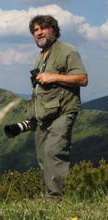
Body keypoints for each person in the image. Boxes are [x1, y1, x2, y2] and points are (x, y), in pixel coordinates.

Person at [26, 15, 88, 197]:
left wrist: (54, 76)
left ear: (53, 29)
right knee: (42, 157)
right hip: (43, 116)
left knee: (54, 152)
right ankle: (50, 198)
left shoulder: (67, 51)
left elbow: (83, 79)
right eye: (35, 30)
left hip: (63, 112)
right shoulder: (40, 57)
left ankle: (56, 201)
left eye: (43, 28)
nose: (39, 33)